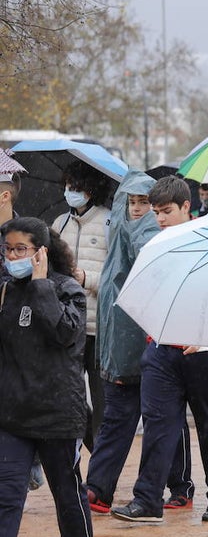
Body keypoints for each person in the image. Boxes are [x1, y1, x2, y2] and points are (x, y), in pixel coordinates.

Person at [110, 177, 208, 523]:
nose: (160, 218)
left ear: (186, 207)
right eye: (155, 212)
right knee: (158, 426)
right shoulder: (155, 245)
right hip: (161, 350)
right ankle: (148, 499)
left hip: (203, 349)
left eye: (166, 211)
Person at [84, 172, 194, 514]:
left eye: (144, 203)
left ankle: (179, 486)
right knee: (122, 416)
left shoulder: (158, 237)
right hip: (120, 344)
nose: (136, 209)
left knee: (165, 418)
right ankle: (99, 488)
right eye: (130, 202)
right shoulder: (119, 233)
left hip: (154, 343)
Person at [0, 217, 95, 537]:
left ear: (41, 250)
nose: (12, 257)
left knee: (65, 490)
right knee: (6, 496)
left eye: (21, 249)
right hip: (12, 413)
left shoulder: (68, 289)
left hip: (57, 411)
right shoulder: (5, 291)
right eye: (7, 249)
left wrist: (40, 285)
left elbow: (64, 333)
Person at [52, 160, 113, 449]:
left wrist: (86, 277)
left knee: (101, 397)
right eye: (67, 187)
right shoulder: (59, 224)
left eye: (77, 187)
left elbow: (117, 277)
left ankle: (102, 457)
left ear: (92, 190)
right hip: (68, 325)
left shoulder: (109, 223)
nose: (71, 193)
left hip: (99, 327)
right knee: (69, 394)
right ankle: (88, 446)